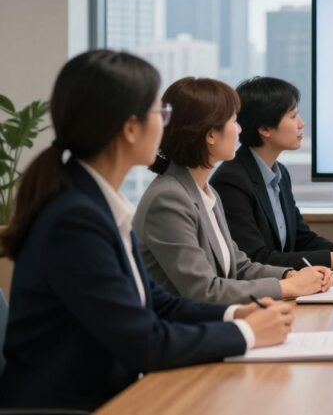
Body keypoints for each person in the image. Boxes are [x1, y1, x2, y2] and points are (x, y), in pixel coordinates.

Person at [0, 51, 293, 410]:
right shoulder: (74, 219)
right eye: (161, 113)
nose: (166, 125)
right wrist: (246, 333)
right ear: (130, 128)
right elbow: (144, 342)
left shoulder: (95, 201)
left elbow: (156, 302)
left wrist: (235, 314)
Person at [134, 77, 333, 305]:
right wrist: (288, 286)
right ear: (210, 135)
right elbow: (204, 290)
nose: (239, 130)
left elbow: (239, 266)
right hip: (186, 331)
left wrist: (290, 275)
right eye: (233, 121)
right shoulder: (168, 199)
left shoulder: (206, 192)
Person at [211, 76, 333, 270]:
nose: (301, 124)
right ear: (265, 129)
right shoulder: (232, 180)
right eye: (293, 116)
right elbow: (256, 259)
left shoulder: (279, 173)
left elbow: (301, 239)